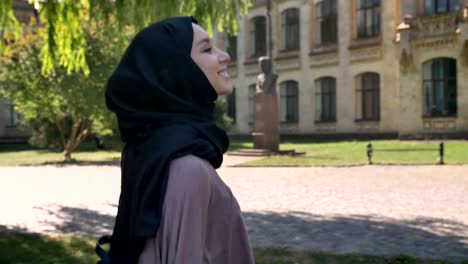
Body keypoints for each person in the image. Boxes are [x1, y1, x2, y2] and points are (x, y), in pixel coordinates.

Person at [104, 17, 255, 263]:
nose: (224, 55)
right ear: (176, 68)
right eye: (206, 49)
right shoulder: (187, 167)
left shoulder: (153, 147)